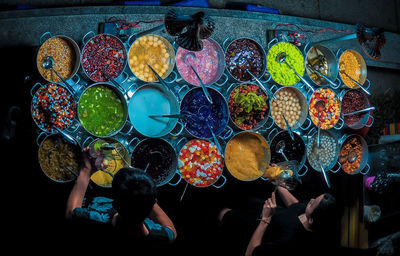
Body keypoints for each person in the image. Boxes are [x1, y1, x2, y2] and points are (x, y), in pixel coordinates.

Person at [65, 147, 177, 252]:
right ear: (154, 202)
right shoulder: (160, 236)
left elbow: (71, 213)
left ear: (115, 203)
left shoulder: (96, 217)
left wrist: (86, 171)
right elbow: (172, 230)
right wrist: (144, 192)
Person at [218, 184, 339, 256]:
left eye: (312, 204)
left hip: (254, 227)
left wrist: (265, 219)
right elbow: (296, 207)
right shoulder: (310, 215)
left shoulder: (290, 241)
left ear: (312, 220)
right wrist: (279, 184)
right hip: (264, 209)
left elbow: (250, 253)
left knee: (224, 213)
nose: (311, 200)